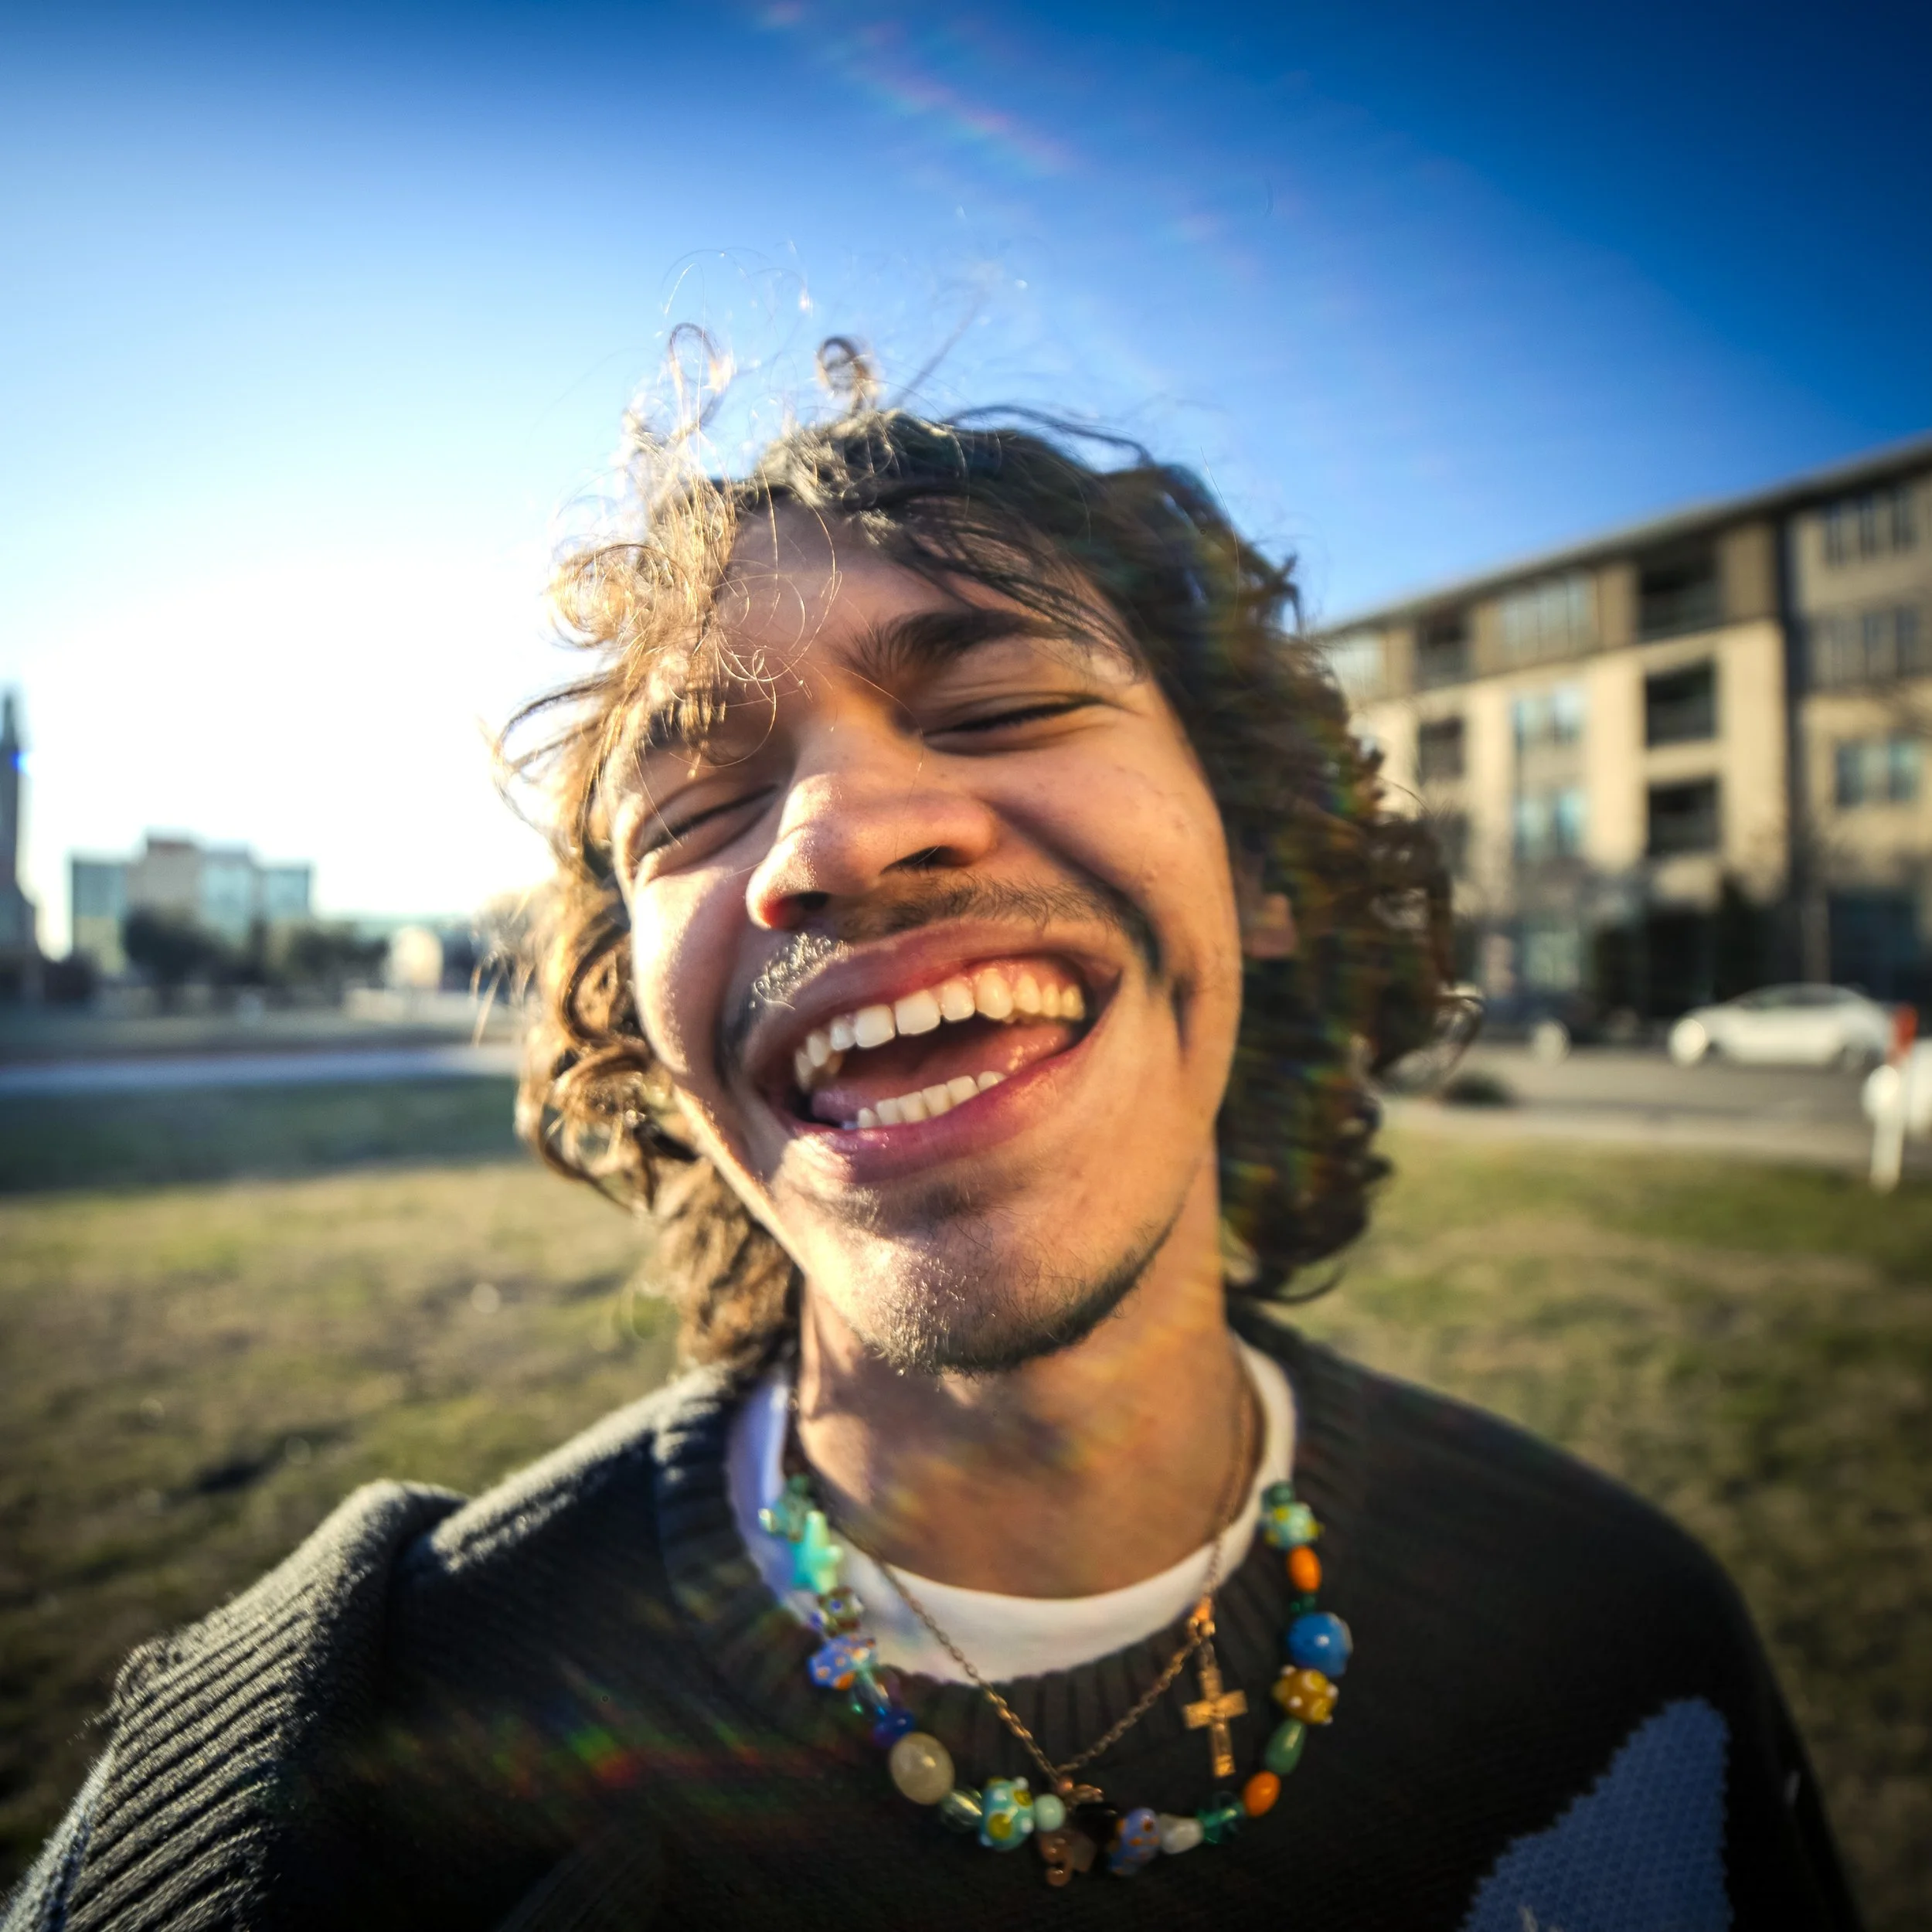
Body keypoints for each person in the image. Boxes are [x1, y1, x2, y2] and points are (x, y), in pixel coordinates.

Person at [8, 372, 1859, 1930]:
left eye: (995, 706)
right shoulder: (309, 1790)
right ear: (645, 1031)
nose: (836, 836)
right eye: (700, 805)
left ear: (1267, 869)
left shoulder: (1629, 1642)